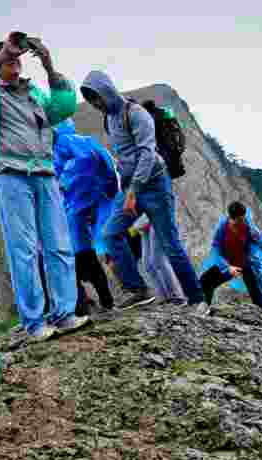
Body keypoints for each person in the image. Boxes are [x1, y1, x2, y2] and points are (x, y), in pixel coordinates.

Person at [0, 31, 86, 340]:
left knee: (59, 245)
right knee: (24, 250)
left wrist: (49, 65)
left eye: (17, 59)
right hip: (10, 175)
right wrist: (3, 52)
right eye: (8, 60)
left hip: (44, 173)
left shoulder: (35, 95)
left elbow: (63, 108)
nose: (14, 64)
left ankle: (65, 313)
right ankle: (35, 321)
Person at [80, 70, 206, 312]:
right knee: (110, 235)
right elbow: (125, 154)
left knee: (170, 245)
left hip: (155, 186)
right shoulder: (109, 118)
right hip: (130, 187)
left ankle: (197, 299)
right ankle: (139, 290)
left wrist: (133, 191)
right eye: (91, 100)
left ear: (108, 91)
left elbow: (147, 154)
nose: (96, 104)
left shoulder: (136, 114)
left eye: (97, 97)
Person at [52, 118, 118, 315]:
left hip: (74, 227)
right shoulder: (81, 143)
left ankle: (86, 308)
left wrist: (65, 180)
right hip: (77, 224)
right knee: (89, 266)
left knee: (76, 269)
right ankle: (104, 304)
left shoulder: (68, 144)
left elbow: (82, 165)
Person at [198, 201, 262, 328]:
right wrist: (227, 267)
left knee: (257, 295)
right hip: (227, 264)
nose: (244, 221)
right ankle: (206, 310)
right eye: (241, 219)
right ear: (233, 218)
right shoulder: (223, 228)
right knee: (205, 282)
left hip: (244, 263)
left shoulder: (250, 229)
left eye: (244, 218)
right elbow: (216, 249)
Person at [129, 215, 186, 304]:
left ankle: (177, 295)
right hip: (143, 222)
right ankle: (163, 296)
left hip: (157, 215)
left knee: (158, 259)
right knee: (148, 264)